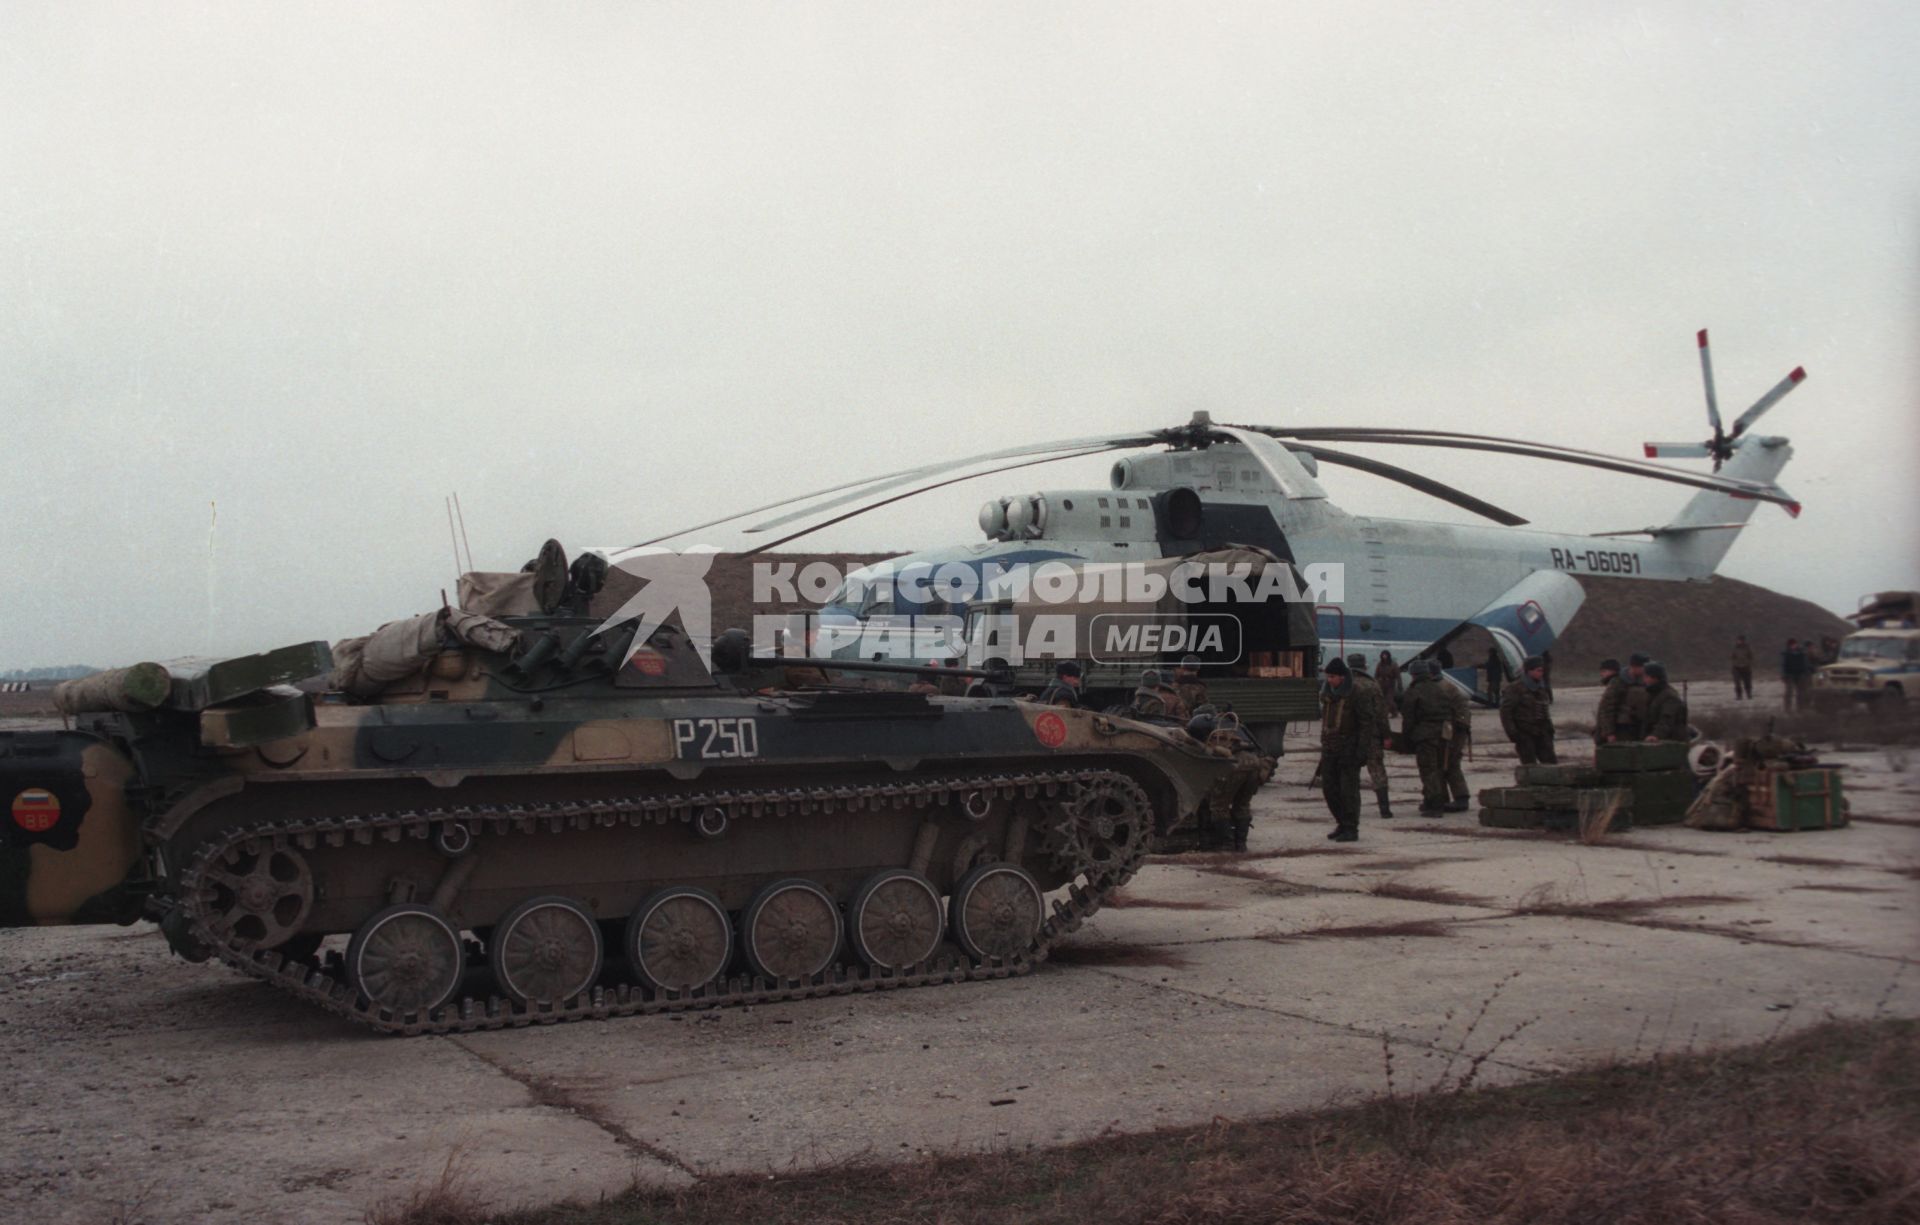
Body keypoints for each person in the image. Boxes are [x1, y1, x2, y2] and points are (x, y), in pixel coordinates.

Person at [1317, 658, 1381, 842]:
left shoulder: (1357, 694)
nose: (1329, 680)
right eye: (1328, 676)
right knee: (1330, 789)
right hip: (1330, 748)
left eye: (1333, 677)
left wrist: (1361, 751)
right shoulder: (1328, 694)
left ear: (1342, 677)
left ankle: (1351, 827)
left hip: (1349, 748)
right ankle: (1341, 823)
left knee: (1348, 791)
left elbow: (1366, 723)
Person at [1399, 659, 1453, 815]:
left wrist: (1406, 739)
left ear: (1413, 675)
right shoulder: (1439, 689)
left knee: (1428, 770)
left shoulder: (1414, 691)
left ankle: (1436, 805)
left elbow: (1408, 718)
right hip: (1442, 735)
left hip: (1424, 736)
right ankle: (1433, 800)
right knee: (1437, 768)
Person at [1346, 653, 1394, 820]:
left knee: (1350, 772)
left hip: (1350, 737)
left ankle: (1352, 810)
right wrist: (1386, 735)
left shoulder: (1345, 685)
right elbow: (1381, 713)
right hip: (1372, 736)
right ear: (1365, 666)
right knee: (1377, 770)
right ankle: (1385, 809)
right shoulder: (1373, 685)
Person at [1499, 655, 1557, 764]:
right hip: (1525, 734)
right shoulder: (1515, 689)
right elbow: (1505, 712)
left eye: (1542, 670)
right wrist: (1513, 733)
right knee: (1529, 767)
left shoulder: (1541, 688)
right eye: (1538, 670)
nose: (1541, 673)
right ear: (1529, 671)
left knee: (1551, 764)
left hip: (1543, 733)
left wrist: (1550, 731)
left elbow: (1545, 711)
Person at [1439, 664, 1474, 811]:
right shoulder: (1446, 686)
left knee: (1450, 763)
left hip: (1454, 730)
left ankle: (1460, 798)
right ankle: (1451, 798)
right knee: (1447, 763)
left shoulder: (1442, 688)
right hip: (1455, 729)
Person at [1642, 661, 1689, 741]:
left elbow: (1667, 720)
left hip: (1670, 740)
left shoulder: (1670, 696)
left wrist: (1656, 735)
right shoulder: (1652, 694)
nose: (1644, 679)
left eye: (1646, 676)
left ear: (1655, 678)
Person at [1593, 658, 1628, 745]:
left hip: (1612, 734)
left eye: (1604, 671)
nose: (1601, 674)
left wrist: (1609, 733)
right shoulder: (1620, 682)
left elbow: (1608, 709)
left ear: (1611, 671)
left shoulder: (1615, 684)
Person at [1619, 653, 1651, 741]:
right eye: (1643, 668)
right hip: (1624, 727)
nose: (1645, 671)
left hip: (1642, 724)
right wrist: (1609, 732)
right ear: (1634, 667)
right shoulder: (1618, 682)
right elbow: (1608, 706)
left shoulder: (1646, 681)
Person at [1781, 638, 1811, 711]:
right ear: (1789, 646)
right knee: (1789, 693)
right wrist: (1784, 675)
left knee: (1801, 693)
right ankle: (1787, 709)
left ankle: (1801, 708)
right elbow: (1784, 665)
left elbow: (1805, 664)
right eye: (1792, 645)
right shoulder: (1786, 654)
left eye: (1794, 644)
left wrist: (1806, 673)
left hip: (1800, 674)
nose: (1793, 646)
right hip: (1790, 675)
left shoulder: (1801, 653)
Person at [1375, 650, 1402, 716]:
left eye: (1385, 655)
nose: (1384, 656)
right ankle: (1391, 713)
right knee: (1382, 699)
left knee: (1389, 700)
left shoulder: (1393, 664)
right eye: (1383, 655)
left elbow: (1398, 675)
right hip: (1381, 683)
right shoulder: (1380, 664)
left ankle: (1391, 712)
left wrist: (1399, 685)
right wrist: (1375, 682)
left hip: (1390, 683)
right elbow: (1376, 674)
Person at [1730, 635, 1754, 700]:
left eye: (1741, 640)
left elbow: (1751, 657)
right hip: (1736, 667)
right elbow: (1732, 657)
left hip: (1746, 667)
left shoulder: (1747, 648)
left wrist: (1748, 663)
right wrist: (1734, 663)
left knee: (1747, 682)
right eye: (1739, 640)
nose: (1740, 641)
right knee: (1737, 682)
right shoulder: (1734, 648)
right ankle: (1739, 696)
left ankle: (1749, 694)